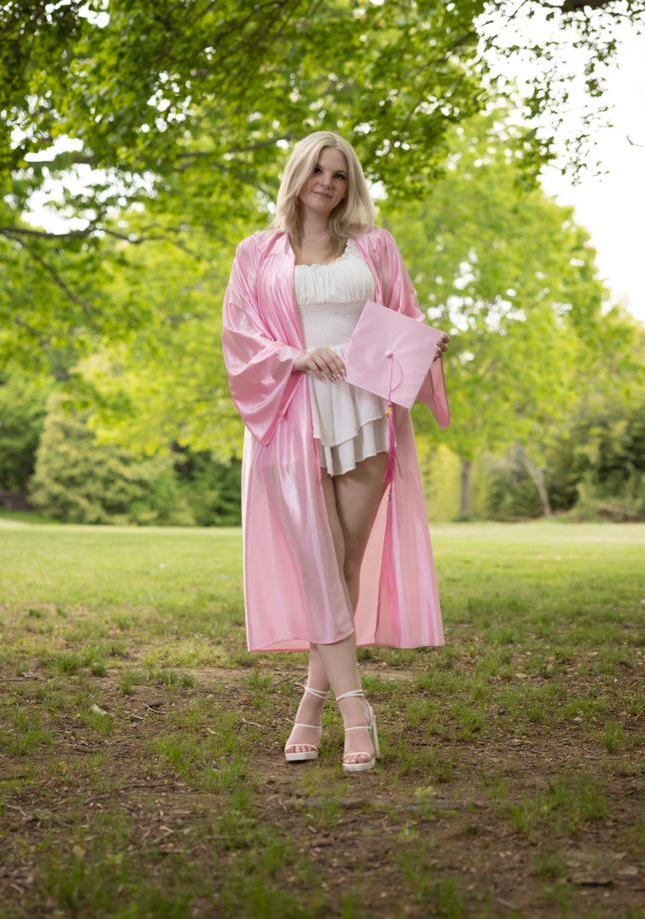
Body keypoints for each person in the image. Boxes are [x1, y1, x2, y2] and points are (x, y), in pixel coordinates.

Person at [221, 130, 450, 774]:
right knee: (320, 562)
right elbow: (239, 337)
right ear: (298, 174)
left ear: (351, 185)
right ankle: (354, 710)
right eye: (318, 170)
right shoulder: (255, 254)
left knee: (345, 559)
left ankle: (309, 707)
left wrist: (425, 349)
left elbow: (402, 314)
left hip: (363, 411)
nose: (328, 182)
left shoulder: (374, 247)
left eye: (340, 174)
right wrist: (294, 355)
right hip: (293, 414)